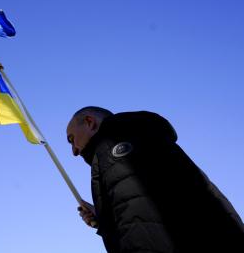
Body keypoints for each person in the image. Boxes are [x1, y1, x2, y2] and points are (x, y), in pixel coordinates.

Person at [66, 107, 244, 253]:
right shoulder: (144, 137)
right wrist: (103, 219)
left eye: (71, 139)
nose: (74, 151)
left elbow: (140, 221)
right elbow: (159, 208)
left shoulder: (113, 142)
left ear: (90, 122)